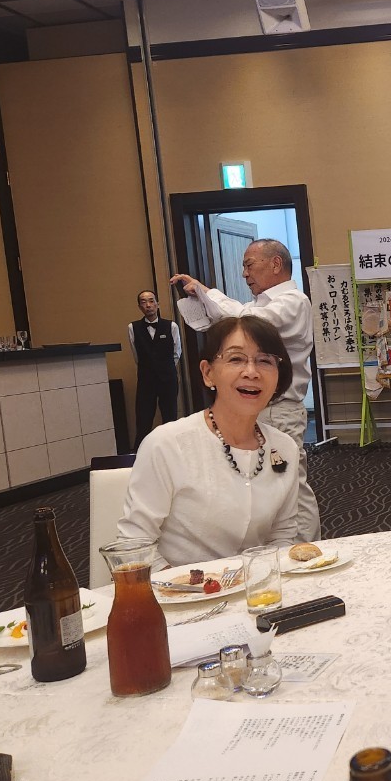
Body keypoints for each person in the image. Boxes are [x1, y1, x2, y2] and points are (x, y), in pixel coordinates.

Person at [117, 316, 299, 570]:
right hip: (179, 589)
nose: (251, 372)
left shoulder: (285, 448)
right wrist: (188, 586)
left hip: (258, 587)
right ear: (208, 373)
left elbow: (282, 535)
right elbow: (133, 545)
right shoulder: (167, 444)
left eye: (265, 361)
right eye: (236, 359)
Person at [170, 238, 319, 541]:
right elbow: (223, 320)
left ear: (275, 264)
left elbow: (244, 322)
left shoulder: (294, 301)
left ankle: (307, 549)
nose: (244, 274)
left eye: (249, 265)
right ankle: (276, 547)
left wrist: (208, 292)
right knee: (259, 480)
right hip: (254, 409)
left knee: (289, 483)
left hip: (279, 409)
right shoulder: (256, 305)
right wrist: (201, 296)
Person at [128, 290, 181, 450]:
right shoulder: (133, 328)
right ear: (139, 306)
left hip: (168, 379)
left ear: (157, 304)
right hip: (146, 379)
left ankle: (172, 452)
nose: (148, 305)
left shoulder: (171, 326)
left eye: (151, 301)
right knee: (143, 420)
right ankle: (140, 455)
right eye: (144, 302)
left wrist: (165, 368)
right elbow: (136, 355)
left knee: (170, 418)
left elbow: (176, 353)